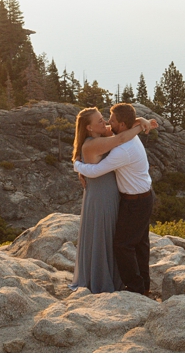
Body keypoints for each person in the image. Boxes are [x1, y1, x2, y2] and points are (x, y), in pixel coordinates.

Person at [74, 103, 156, 297]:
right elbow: (119, 133)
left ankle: (137, 288)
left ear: (122, 124)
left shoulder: (122, 149)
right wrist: (141, 123)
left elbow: (95, 171)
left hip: (136, 201)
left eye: (109, 120)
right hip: (139, 197)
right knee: (139, 244)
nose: (107, 123)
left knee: (124, 245)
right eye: (102, 120)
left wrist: (78, 166)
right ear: (89, 127)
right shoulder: (120, 138)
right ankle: (142, 286)